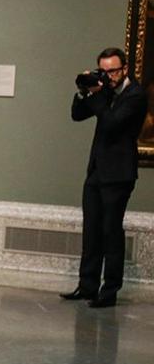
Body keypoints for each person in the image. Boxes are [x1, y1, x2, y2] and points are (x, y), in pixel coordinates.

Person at [60, 48, 149, 308]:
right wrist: (84, 90)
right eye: (104, 71)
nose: (109, 76)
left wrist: (99, 95)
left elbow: (111, 123)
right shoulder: (106, 91)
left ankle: (109, 291)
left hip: (119, 174)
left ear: (125, 69)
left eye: (113, 71)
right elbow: (77, 115)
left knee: (111, 231)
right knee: (91, 230)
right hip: (97, 171)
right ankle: (87, 286)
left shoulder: (135, 95)